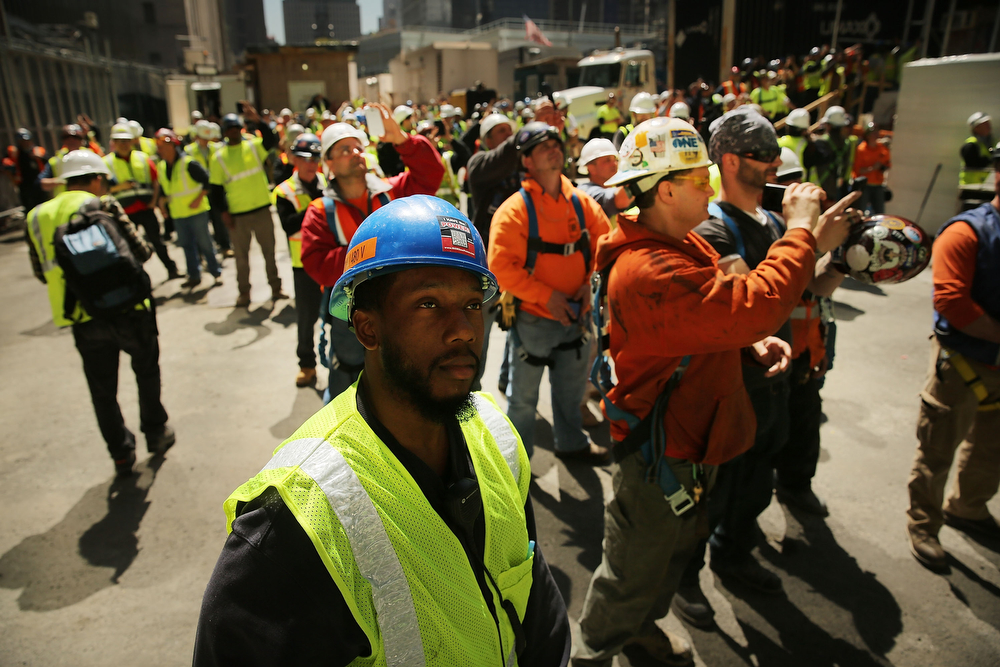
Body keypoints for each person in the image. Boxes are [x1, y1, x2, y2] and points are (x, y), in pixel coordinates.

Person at [193, 196, 571, 666]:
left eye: (473, 304)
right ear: (367, 329)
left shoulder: (494, 432)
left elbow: (534, 595)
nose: (464, 331)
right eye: (428, 304)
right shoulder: (297, 518)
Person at [572, 115, 849, 667]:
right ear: (666, 189)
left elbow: (718, 309)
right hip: (658, 454)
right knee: (632, 570)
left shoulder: (678, 241)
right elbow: (753, 302)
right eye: (701, 179)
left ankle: (640, 631)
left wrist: (747, 344)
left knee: (668, 556)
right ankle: (593, 654)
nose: (711, 188)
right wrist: (800, 232)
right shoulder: (649, 268)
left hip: (688, 440)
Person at [24, 150, 174, 477]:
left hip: (82, 317)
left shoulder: (36, 216)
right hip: (130, 310)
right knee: (146, 371)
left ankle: (121, 453)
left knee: (102, 391)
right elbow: (141, 251)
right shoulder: (103, 205)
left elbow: (40, 271)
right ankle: (156, 433)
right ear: (95, 178)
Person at [299, 103, 444, 398]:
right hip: (348, 313)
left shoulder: (393, 192)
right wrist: (380, 250)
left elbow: (431, 175)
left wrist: (402, 140)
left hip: (400, 304)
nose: (355, 153)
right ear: (328, 163)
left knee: (402, 376)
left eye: (357, 147)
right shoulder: (319, 211)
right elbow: (316, 263)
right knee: (347, 380)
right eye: (344, 150)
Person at [488, 122, 611, 463]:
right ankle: (517, 463)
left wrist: (589, 286)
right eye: (543, 146)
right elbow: (500, 267)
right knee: (523, 399)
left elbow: (606, 247)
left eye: (556, 142)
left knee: (570, 392)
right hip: (535, 319)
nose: (554, 148)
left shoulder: (583, 205)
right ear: (526, 161)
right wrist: (547, 297)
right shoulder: (514, 211)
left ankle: (571, 444)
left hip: (577, 313)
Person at [906, 147, 1000, 572]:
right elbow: (951, 300)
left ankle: (970, 507)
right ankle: (923, 525)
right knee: (938, 446)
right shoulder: (967, 233)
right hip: (962, 363)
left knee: (991, 447)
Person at [208, 104, 285, 307]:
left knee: (269, 253)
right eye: (229, 129)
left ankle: (276, 288)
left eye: (236, 128)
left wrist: (259, 121)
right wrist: (224, 213)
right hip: (238, 215)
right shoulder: (218, 158)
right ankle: (244, 293)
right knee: (241, 259)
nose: (233, 132)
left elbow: (271, 140)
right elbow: (215, 191)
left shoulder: (252, 146)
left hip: (261, 209)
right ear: (225, 132)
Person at [272, 133, 328, 387]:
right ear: (294, 159)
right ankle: (307, 365)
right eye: (304, 158)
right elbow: (289, 226)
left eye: (315, 158)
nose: (310, 164)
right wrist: (317, 207)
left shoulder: (329, 183)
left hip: (331, 263)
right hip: (303, 266)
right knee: (306, 319)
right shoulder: (284, 191)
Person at [104, 122, 181, 279]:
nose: (124, 144)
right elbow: (103, 189)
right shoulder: (106, 163)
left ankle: (171, 269)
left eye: (126, 141)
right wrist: (120, 187)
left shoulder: (143, 158)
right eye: (120, 141)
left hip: (146, 208)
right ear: (114, 143)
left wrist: (154, 202)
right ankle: (137, 276)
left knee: (157, 242)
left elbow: (155, 181)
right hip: (124, 213)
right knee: (129, 247)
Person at [154, 128, 221, 289]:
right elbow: (165, 189)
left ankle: (215, 272)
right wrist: (162, 205)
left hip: (196, 212)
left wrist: (198, 199)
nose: (160, 150)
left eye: (163, 145)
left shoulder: (188, 163)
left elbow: (207, 181)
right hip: (178, 213)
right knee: (186, 246)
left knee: (205, 244)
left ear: (172, 146)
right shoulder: (162, 167)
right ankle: (194, 275)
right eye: (158, 146)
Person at [185, 120, 233, 258]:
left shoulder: (217, 148)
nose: (205, 141)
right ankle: (202, 254)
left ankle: (225, 246)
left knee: (219, 219)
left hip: (215, 187)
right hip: (198, 190)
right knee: (201, 225)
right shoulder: (189, 151)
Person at [576, 138, 633, 227]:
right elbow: (620, 199)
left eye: (615, 159)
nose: (614, 163)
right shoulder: (585, 193)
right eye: (607, 160)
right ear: (591, 168)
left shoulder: (614, 188)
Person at [813, 105, 857, 200]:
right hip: (838, 187)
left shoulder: (821, 141)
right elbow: (846, 164)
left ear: (829, 125)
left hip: (821, 186)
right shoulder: (847, 143)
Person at [2, 128, 48, 211]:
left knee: (44, 206)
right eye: (22, 141)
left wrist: (40, 157)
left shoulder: (38, 151)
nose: (25, 143)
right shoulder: (15, 152)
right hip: (24, 187)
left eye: (27, 141)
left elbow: (49, 163)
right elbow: (4, 164)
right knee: (29, 209)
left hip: (40, 184)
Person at [38, 124, 89, 196]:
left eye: (75, 137)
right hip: (66, 203)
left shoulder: (90, 156)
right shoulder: (55, 161)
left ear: (81, 139)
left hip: (89, 200)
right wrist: (62, 181)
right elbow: (43, 183)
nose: (71, 140)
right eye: (67, 137)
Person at [852, 122, 891, 215]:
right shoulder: (861, 149)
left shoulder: (882, 149)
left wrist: (882, 167)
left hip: (878, 185)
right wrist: (872, 168)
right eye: (873, 133)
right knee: (860, 212)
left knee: (879, 213)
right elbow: (857, 170)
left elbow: (888, 164)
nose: (876, 135)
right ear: (868, 135)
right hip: (865, 186)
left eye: (877, 133)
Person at [960, 112, 994, 187]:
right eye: (984, 124)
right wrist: (989, 160)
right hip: (971, 187)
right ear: (976, 128)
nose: (988, 125)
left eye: (988, 123)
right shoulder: (971, 145)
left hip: (988, 187)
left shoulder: (992, 142)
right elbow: (972, 163)